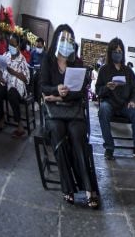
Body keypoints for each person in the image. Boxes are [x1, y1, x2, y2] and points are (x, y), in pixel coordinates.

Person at [40, 24, 99, 209]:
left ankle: (89, 189)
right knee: (58, 132)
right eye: (64, 39)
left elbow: (81, 92)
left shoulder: (77, 63)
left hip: (73, 110)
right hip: (54, 113)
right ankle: (68, 187)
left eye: (70, 40)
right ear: (57, 39)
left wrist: (58, 96)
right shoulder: (47, 61)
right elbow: (43, 87)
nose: (67, 43)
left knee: (77, 135)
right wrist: (55, 90)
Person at [95, 38, 135, 161]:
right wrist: (107, 87)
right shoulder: (104, 70)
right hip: (110, 103)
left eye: (120, 51)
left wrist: (133, 101)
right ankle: (109, 147)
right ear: (110, 52)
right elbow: (98, 91)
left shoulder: (128, 71)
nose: (118, 53)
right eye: (115, 51)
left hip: (125, 104)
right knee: (103, 109)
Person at [0, 34, 30, 137]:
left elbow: (26, 79)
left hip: (17, 87)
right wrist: (0, 77)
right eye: (9, 44)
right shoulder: (6, 55)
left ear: (18, 46)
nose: (10, 46)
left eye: (13, 44)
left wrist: (14, 72)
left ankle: (20, 126)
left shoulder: (22, 60)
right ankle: (1, 119)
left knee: (12, 93)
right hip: (6, 83)